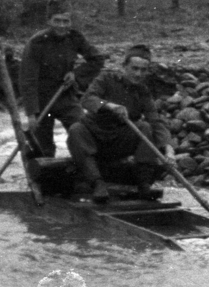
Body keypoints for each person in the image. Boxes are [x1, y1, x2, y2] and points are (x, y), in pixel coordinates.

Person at [66, 45, 176, 203]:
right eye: (134, 68)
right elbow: (87, 100)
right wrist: (109, 106)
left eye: (143, 70)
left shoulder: (143, 91)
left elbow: (156, 121)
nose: (138, 74)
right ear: (124, 67)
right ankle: (97, 184)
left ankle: (144, 185)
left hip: (119, 141)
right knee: (76, 129)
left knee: (145, 127)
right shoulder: (105, 79)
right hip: (94, 137)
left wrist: (169, 149)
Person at [18, 4, 105, 158]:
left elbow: (97, 59)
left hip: (65, 97)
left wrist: (75, 74)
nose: (62, 26)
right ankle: (44, 177)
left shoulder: (75, 38)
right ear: (49, 21)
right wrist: (31, 113)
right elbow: (27, 79)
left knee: (83, 131)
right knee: (44, 149)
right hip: (41, 101)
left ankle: (85, 168)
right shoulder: (36, 43)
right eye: (57, 21)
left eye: (66, 21)